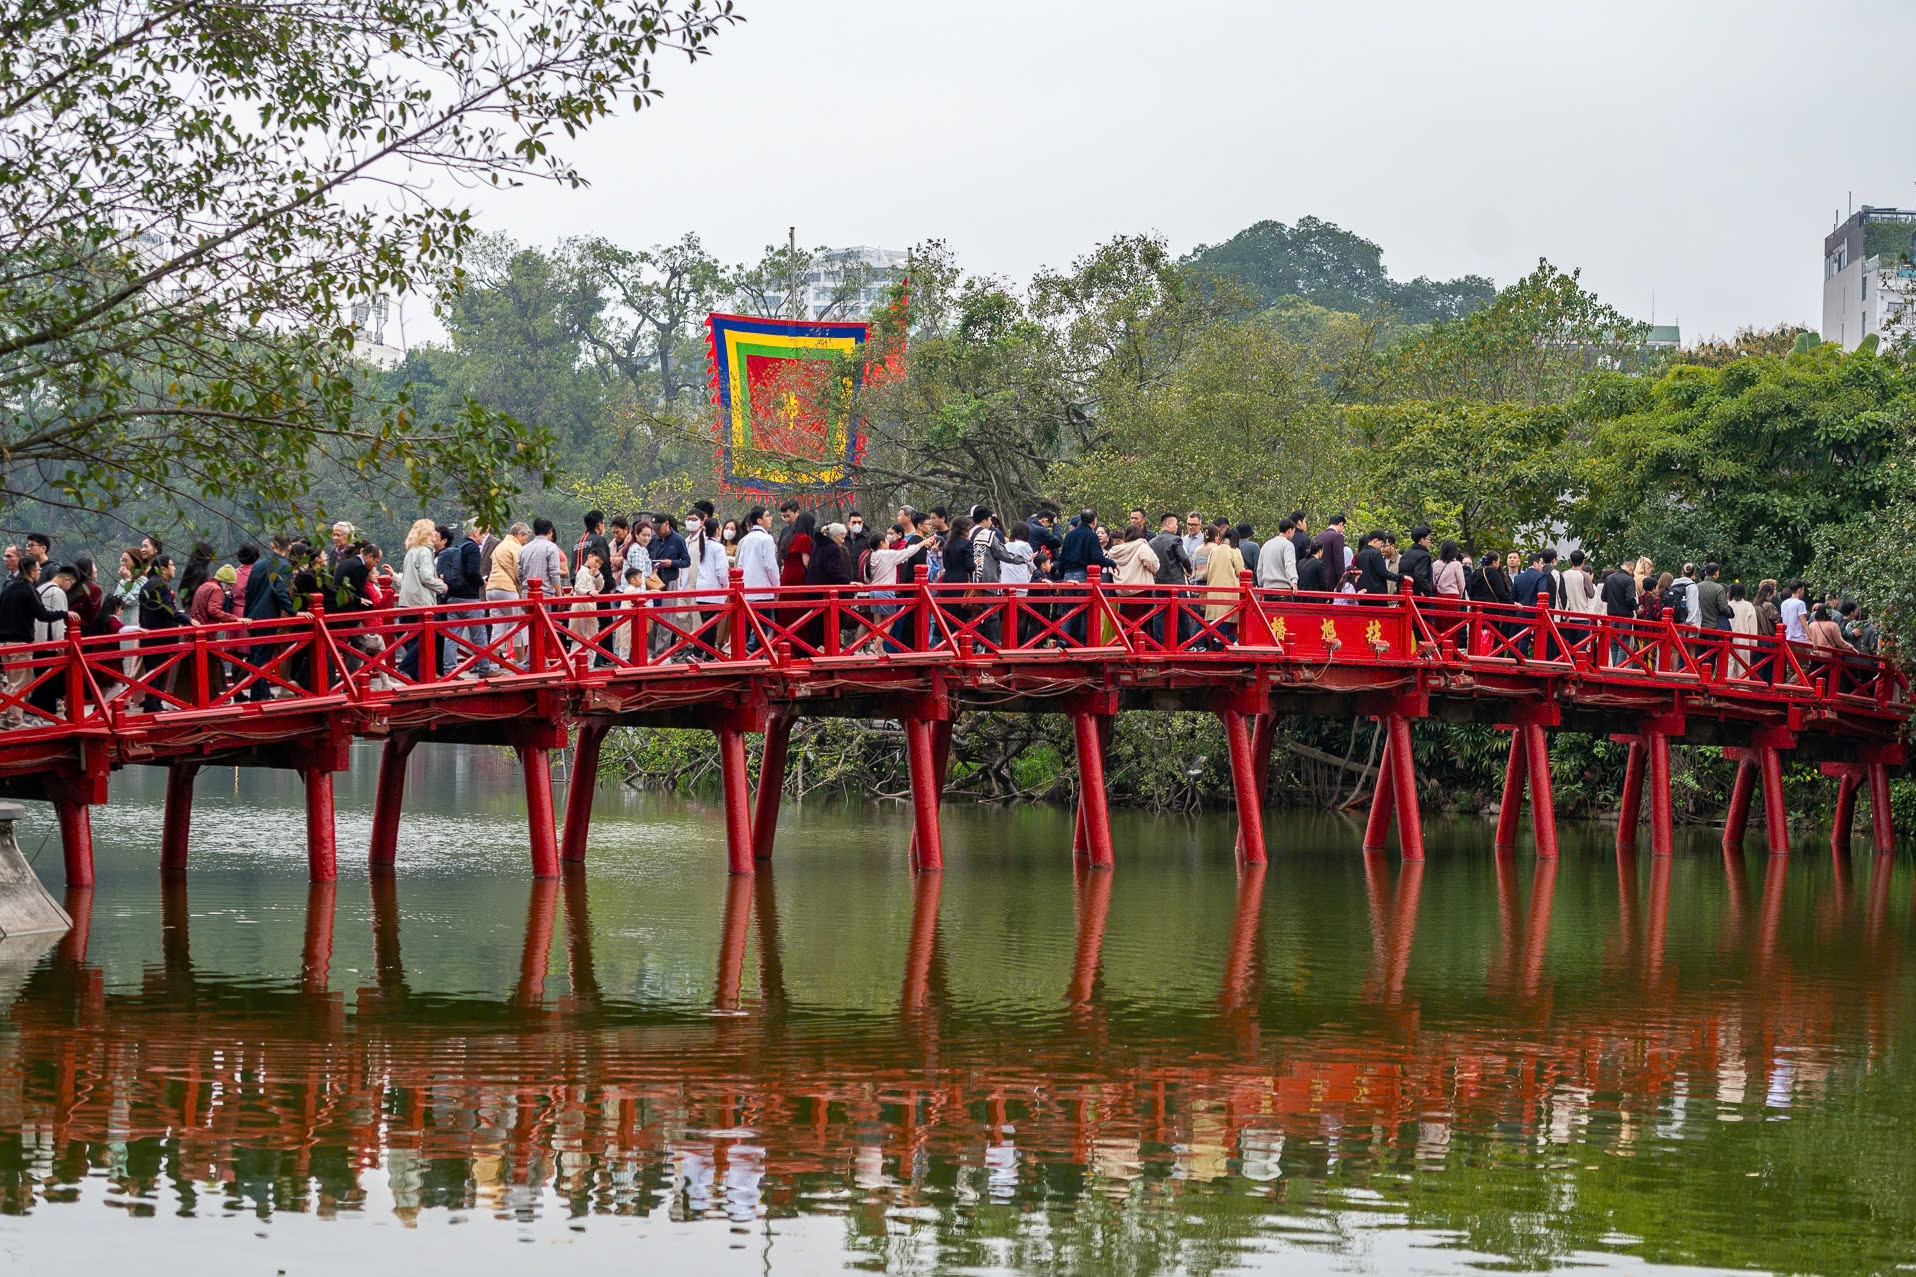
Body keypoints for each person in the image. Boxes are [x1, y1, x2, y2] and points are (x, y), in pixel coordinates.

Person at [0, 557, 77, 727]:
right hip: (20, 642)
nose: (39, 573)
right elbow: (43, 615)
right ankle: (13, 721)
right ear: (31, 571)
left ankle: (5, 715)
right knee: (20, 684)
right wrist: (64, 614)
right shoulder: (28, 589)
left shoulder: (8, 589)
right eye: (37, 570)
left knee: (12, 682)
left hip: (4, 643)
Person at [137, 554, 193, 711]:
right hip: (160, 637)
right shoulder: (161, 586)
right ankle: (154, 704)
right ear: (162, 568)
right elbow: (168, 610)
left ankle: (153, 703)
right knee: (159, 672)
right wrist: (187, 619)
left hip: (149, 636)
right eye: (171, 565)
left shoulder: (147, 585)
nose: (174, 568)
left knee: (153, 672)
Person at [1106, 525, 1161, 638]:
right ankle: (1140, 648)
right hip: (1141, 589)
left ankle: (1128, 646)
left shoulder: (1115, 550)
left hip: (1122, 591)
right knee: (1142, 622)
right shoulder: (1141, 546)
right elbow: (1153, 564)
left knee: (1127, 621)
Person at [486, 522, 528, 662]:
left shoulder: (500, 545)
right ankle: (520, 662)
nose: (525, 542)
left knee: (498, 629)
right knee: (519, 626)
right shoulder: (515, 547)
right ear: (519, 534)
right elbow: (518, 571)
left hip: (491, 588)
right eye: (525, 538)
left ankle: (493, 663)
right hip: (507, 588)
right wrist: (522, 588)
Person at [1200, 524, 1246, 644]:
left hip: (1213, 593)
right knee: (1227, 620)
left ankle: (1216, 641)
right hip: (1229, 594)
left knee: (1215, 623)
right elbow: (1241, 572)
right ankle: (1222, 642)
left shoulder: (1214, 550)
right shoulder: (1234, 551)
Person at [517, 518, 563, 597]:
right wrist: (559, 595)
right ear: (550, 531)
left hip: (526, 594)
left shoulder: (523, 549)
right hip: (544, 593)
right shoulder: (551, 547)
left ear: (534, 531)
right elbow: (554, 573)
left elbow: (519, 574)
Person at [1727, 581, 1760, 678]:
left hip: (1729, 639)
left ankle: (1727, 688)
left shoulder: (1728, 605)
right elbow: (1752, 626)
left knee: (1728, 666)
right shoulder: (1748, 606)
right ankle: (1742, 687)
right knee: (1743, 667)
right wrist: (1753, 644)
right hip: (1743, 641)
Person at [1353, 531, 1399, 596]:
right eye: (1381, 543)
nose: (1381, 547)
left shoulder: (1360, 554)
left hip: (1362, 593)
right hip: (1376, 594)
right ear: (1375, 540)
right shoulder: (1376, 553)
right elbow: (1383, 573)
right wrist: (1400, 577)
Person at [1258, 518, 1299, 591]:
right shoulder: (1287, 545)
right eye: (1293, 531)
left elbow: (1259, 568)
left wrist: (1260, 584)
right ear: (1289, 530)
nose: (1293, 534)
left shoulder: (1266, 545)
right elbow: (1290, 563)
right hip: (1282, 587)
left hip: (1267, 588)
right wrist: (1294, 580)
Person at [1397, 526, 1436, 597]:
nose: (1429, 541)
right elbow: (1420, 576)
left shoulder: (1405, 554)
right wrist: (1428, 590)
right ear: (1421, 540)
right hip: (1418, 595)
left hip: (1404, 594)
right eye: (1428, 539)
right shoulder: (1424, 556)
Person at [1693, 562, 1728, 631]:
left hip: (1698, 626)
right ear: (1716, 573)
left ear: (1705, 572)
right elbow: (1723, 608)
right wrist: (1729, 612)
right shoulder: (1719, 588)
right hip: (1713, 627)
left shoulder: (1697, 587)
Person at [1318, 515, 1348, 579]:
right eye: (1343, 527)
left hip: (1318, 578)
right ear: (1341, 524)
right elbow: (1339, 560)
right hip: (1331, 579)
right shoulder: (1337, 537)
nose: (1343, 529)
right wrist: (1341, 578)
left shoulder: (1317, 537)